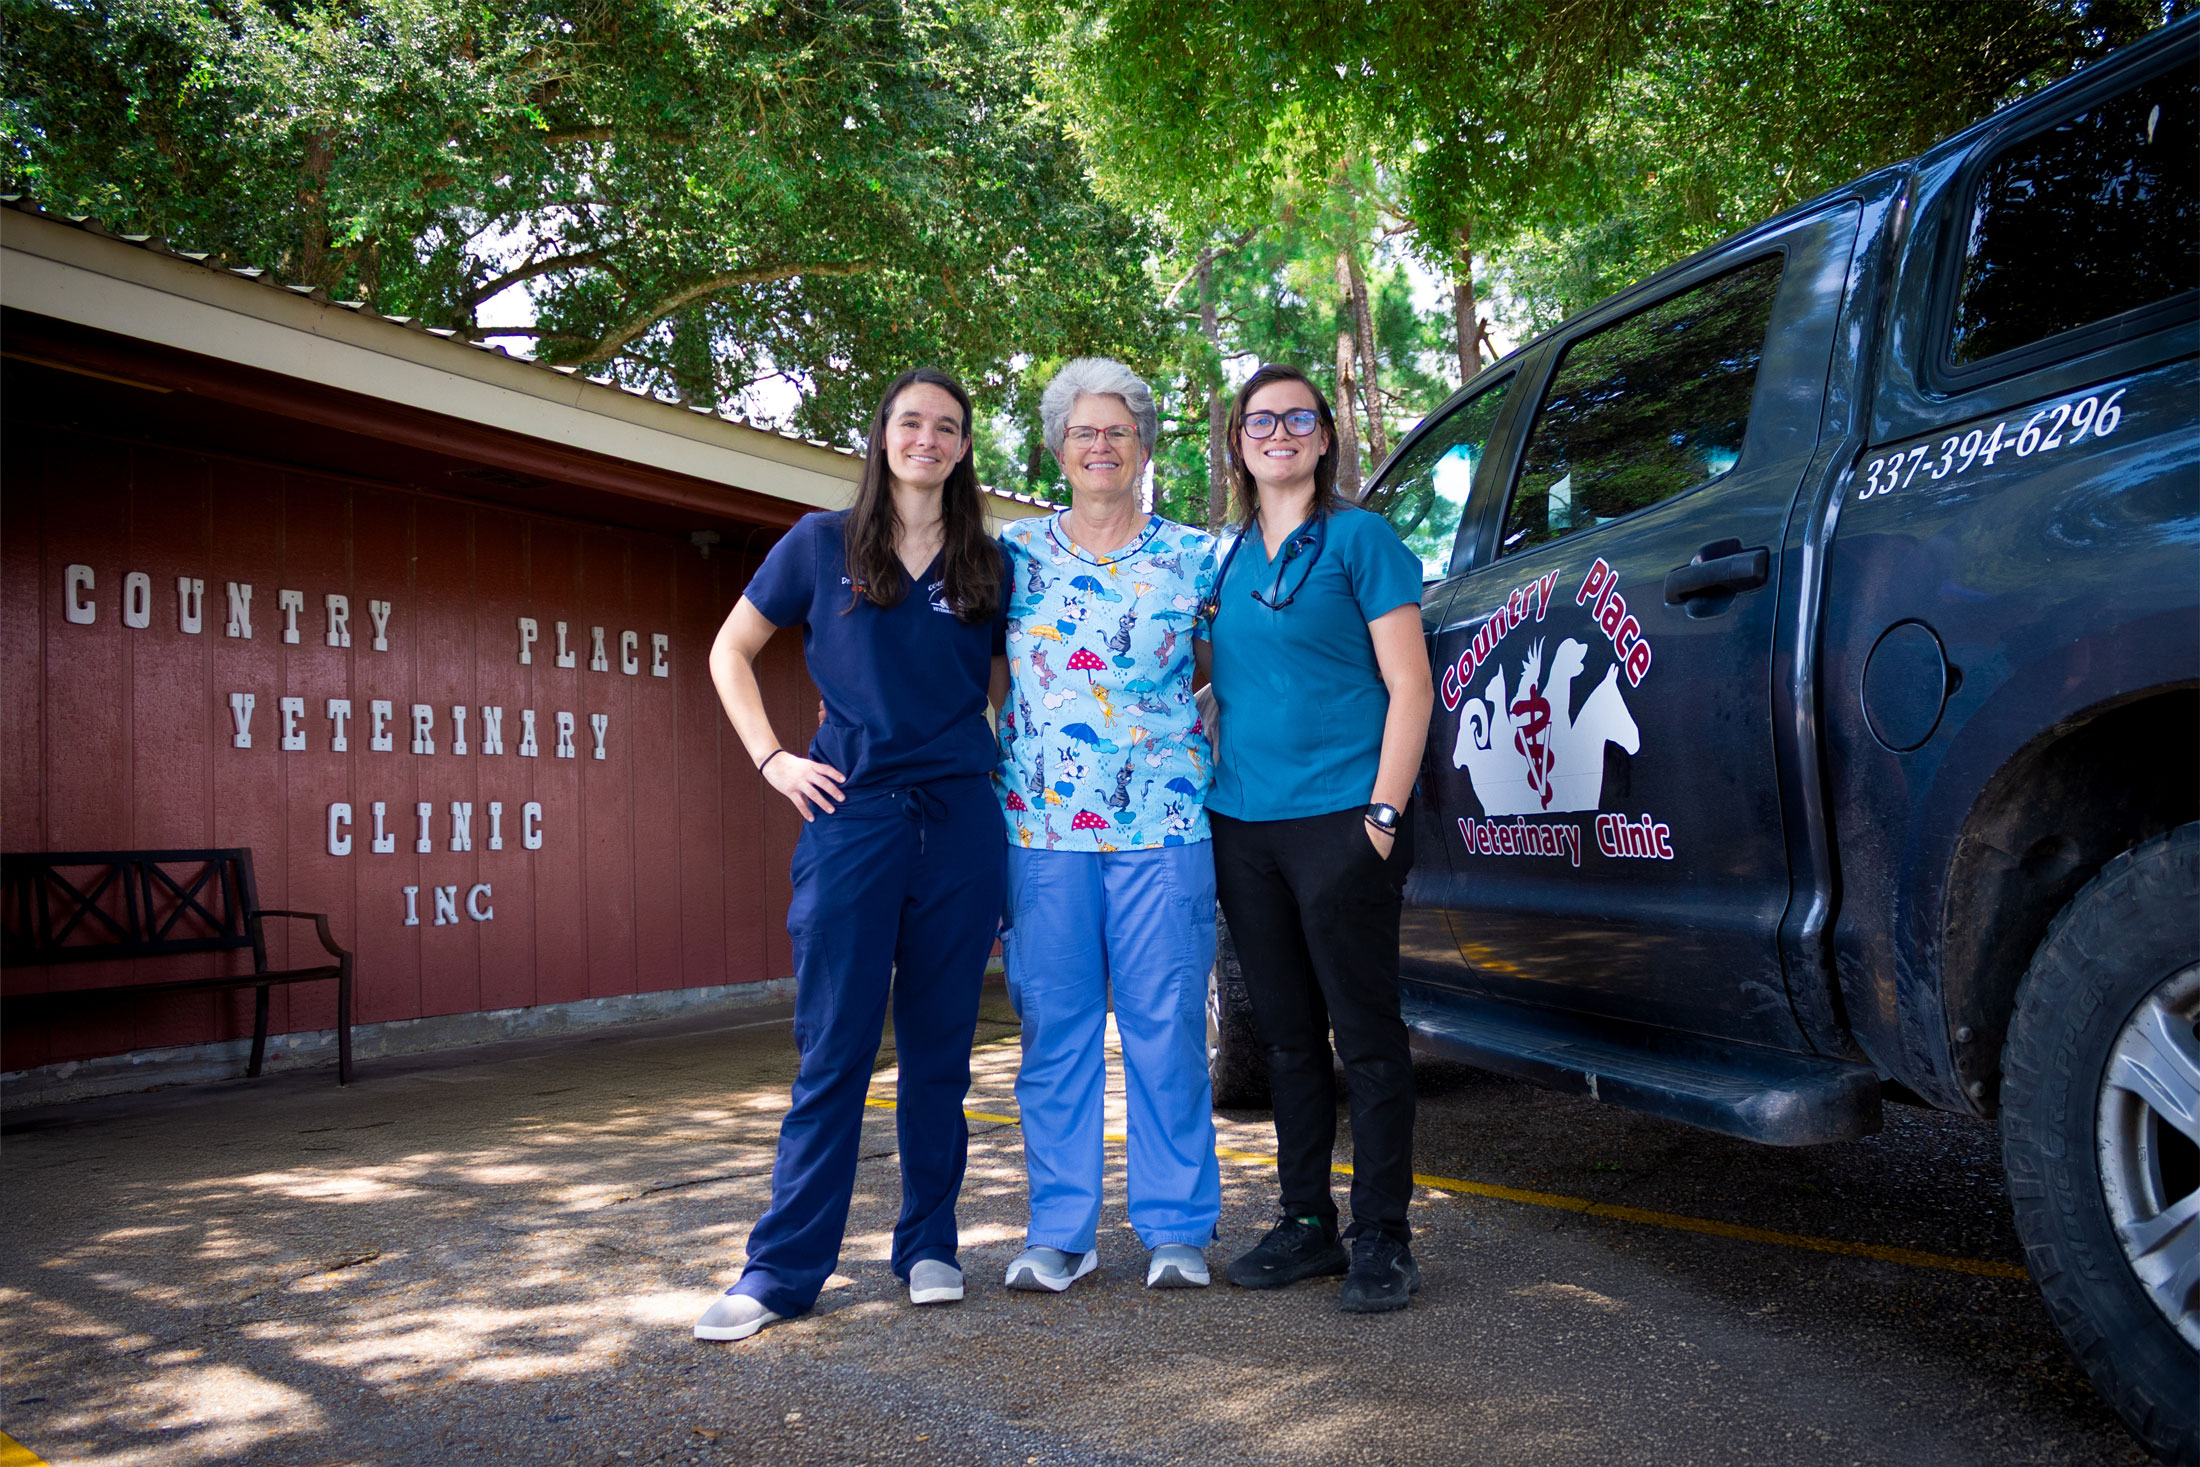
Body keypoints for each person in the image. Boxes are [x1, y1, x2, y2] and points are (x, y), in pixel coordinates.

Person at [693, 367, 1007, 1342]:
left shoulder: (989, 565)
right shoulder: (818, 544)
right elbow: (728, 651)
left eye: (946, 427)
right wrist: (774, 759)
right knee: (833, 1052)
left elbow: (1003, 684)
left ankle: (928, 1246)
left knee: (939, 1056)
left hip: (959, 827)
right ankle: (780, 1272)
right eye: (910, 421)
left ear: (962, 449)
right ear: (881, 436)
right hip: (852, 821)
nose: (927, 438)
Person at [1205, 362, 1435, 1313]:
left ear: (1326, 436)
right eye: (1261, 420)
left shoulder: (1361, 539)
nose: (1280, 431)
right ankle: (1307, 1223)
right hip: (1243, 829)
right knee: (1291, 1042)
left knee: (1368, 1040)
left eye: (1300, 417)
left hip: (1345, 822)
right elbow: (1221, 692)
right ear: (1239, 442)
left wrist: (1381, 817)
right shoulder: (1223, 558)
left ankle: (1383, 1233)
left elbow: (1412, 689)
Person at [992, 357, 1223, 1293]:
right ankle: (1061, 1228)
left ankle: (1176, 1226)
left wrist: (1209, 722)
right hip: (1042, 829)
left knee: (1165, 1023)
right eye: (1083, 431)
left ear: (1143, 446)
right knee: (1056, 1025)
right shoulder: (1011, 554)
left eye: (1117, 430)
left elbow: (1229, 668)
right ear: (1057, 448)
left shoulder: (1197, 556)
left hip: (1165, 823)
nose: (1100, 445)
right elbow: (986, 676)